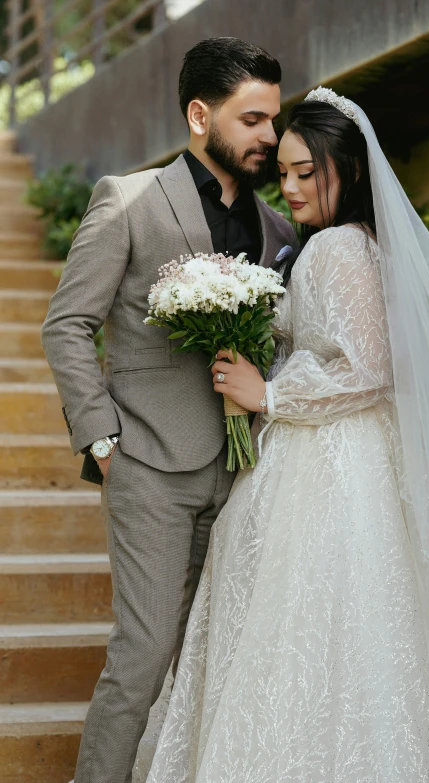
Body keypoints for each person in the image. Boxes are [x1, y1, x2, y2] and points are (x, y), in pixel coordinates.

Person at [143, 89, 429, 782]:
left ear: (345, 168)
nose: (288, 187)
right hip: (339, 453)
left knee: (314, 628)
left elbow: (371, 368)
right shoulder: (339, 246)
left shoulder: (339, 248)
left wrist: (270, 392)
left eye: (305, 172)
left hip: (333, 462)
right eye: (282, 172)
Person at [41, 37, 295, 783]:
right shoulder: (127, 199)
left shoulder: (278, 231)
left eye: (272, 121)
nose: (269, 138)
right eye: (252, 120)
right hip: (149, 465)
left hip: (246, 474)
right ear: (198, 114)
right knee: (145, 653)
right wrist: (102, 439)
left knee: (216, 657)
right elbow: (67, 324)